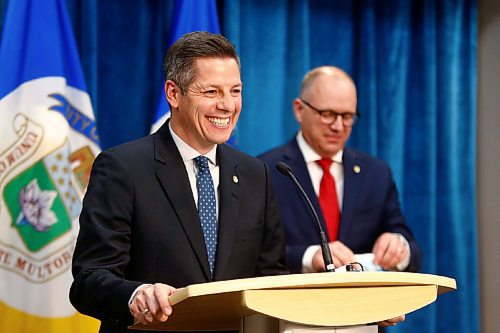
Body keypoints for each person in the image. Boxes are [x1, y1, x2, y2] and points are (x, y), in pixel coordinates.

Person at [69, 31, 287, 333]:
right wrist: (136, 295)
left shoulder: (255, 175)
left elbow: (271, 277)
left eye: (235, 91)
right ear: (173, 94)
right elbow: (89, 280)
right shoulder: (123, 168)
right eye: (211, 92)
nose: (227, 105)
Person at [259, 66, 422, 274]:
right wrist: (310, 256)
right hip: (292, 302)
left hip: (361, 303)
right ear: (299, 110)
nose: (338, 126)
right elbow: (252, 253)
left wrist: (399, 247)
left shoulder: (376, 173)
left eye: (347, 117)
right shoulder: (265, 171)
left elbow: (413, 250)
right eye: (327, 114)